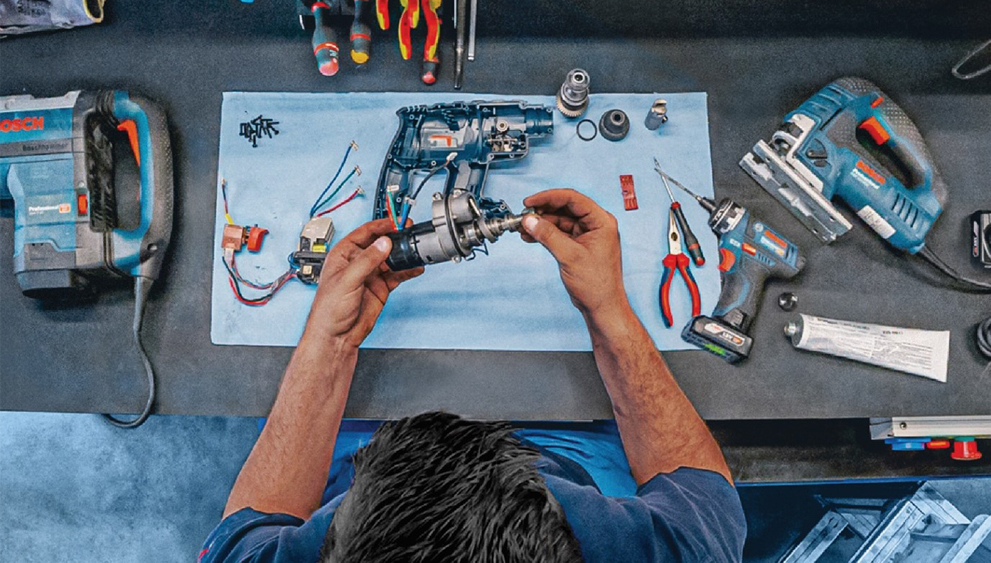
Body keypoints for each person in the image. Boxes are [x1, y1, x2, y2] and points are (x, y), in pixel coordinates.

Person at [200, 189, 746, 563]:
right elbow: (707, 504)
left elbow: (245, 532)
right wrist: (610, 313)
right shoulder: (662, 550)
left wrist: (331, 340)